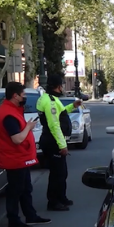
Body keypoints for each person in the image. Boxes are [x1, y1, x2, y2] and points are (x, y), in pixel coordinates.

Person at [0, 82, 51, 227]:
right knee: (16, 190)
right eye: (23, 94)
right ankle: (13, 220)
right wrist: (28, 127)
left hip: (21, 158)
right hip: (14, 159)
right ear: (15, 96)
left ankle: (30, 215)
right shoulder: (8, 114)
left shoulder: (13, 111)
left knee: (26, 188)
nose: (24, 97)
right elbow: (17, 139)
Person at [36, 74, 82, 211]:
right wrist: (62, 145)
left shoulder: (50, 99)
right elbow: (54, 125)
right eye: (61, 85)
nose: (62, 87)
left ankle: (61, 197)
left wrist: (72, 106)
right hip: (52, 141)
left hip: (50, 139)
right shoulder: (50, 101)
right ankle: (53, 202)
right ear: (58, 86)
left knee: (62, 172)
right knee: (57, 173)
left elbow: (60, 113)